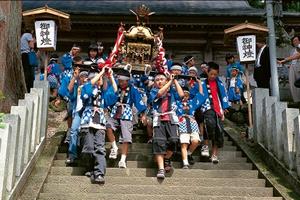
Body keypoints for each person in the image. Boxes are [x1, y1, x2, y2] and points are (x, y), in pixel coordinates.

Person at [80, 67, 117, 184]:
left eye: (99, 78)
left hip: (100, 122)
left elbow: (115, 91)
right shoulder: (85, 88)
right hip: (87, 121)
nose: (97, 80)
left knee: (100, 148)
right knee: (89, 148)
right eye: (94, 78)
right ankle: (89, 168)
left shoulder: (104, 92)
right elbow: (88, 87)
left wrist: (110, 76)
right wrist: (100, 73)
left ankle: (99, 173)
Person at [106, 69, 147, 168]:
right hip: (115, 110)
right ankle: (114, 147)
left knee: (126, 137)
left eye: (122, 81)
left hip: (127, 111)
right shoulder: (116, 87)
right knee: (108, 126)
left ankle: (123, 159)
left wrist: (143, 114)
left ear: (127, 81)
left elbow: (139, 102)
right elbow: (108, 97)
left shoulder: (133, 89)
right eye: (119, 81)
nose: (120, 83)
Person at [149, 73, 184, 179]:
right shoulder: (153, 91)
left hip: (171, 119)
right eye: (157, 80)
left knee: (174, 140)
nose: (159, 81)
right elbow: (160, 93)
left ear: (165, 80)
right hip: (159, 119)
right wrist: (170, 81)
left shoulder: (172, 91)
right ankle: (161, 169)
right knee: (159, 142)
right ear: (155, 83)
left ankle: (167, 158)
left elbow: (181, 95)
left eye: (162, 79)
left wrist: (175, 80)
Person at [200, 62, 230, 164]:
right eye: (211, 74)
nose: (213, 76)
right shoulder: (202, 83)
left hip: (218, 110)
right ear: (207, 72)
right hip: (207, 108)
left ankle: (214, 155)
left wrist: (224, 107)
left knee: (219, 132)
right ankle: (205, 147)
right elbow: (197, 95)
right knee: (209, 126)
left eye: (215, 74)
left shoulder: (220, 84)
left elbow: (224, 96)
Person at [177, 84, 205, 169]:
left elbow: (200, 95)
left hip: (192, 123)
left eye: (186, 95)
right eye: (183, 95)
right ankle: (185, 163)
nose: (185, 97)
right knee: (184, 143)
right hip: (182, 123)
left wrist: (199, 82)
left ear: (189, 96)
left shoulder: (192, 102)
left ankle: (189, 153)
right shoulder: (176, 103)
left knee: (196, 141)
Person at [278, 35, 300, 102]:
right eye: (293, 41)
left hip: (299, 67)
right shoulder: (292, 50)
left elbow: (296, 56)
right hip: (292, 67)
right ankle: (296, 100)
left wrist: (283, 60)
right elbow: (292, 58)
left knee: (298, 84)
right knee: (292, 83)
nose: (294, 42)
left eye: (296, 40)